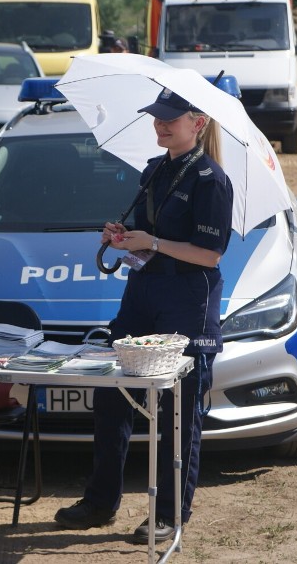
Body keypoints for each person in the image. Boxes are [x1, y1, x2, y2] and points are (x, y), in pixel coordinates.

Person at [54, 87, 234, 544]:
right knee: (112, 395)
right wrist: (125, 237)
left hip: (187, 300)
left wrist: (150, 243)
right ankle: (100, 501)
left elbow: (210, 255)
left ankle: (170, 513)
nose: (160, 124)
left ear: (198, 123)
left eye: (170, 118)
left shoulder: (211, 179)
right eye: (156, 116)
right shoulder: (156, 170)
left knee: (179, 409)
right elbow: (147, 237)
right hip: (143, 293)